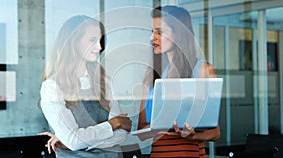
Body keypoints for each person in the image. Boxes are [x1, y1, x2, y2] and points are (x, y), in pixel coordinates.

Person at [38, 15, 132, 158]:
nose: (99, 47)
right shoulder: (52, 86)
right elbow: (74, 141)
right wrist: (112, 124)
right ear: (73, 42)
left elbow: (121, 135)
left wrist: (79, 141)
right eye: (92, 40)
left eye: (100, 41)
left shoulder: (103, 82)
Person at [137, 6, 220, 157]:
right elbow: (142, 131)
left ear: (178, 34)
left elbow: (215, 132)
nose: (152, 37)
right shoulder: (151, 75)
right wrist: (160, 126)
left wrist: (194, 135)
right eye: (152, 31)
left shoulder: (202, 70)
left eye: (159, 32)